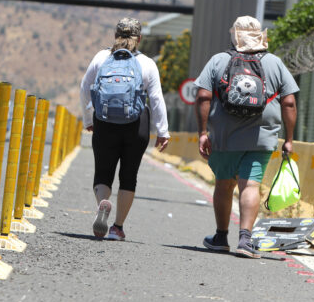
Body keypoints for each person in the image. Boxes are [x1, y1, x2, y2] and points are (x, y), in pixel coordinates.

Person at [193, 15, 298, 258]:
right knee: (250, 184)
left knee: (224, 184)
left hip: (223, 136)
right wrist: (289, 138)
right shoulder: (274, 63)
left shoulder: (219, 60)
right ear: (260, 35)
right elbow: (289, 102)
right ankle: (245, 240)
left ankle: (220, 237)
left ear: (234, 35)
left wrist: (202, 132)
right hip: (261, 137)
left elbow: (202, 97)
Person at [80, 17, 170, 241]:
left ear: (115, 35)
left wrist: (88, 118)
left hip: (104, 121)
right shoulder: (147, 63)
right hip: (136, 125)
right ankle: (117, 228)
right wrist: (163, 131)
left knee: (103, 172)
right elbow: (157, 99)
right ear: (139, 39)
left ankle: (103, 202)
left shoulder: (102, 57)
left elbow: (85, 88)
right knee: (129, 176)